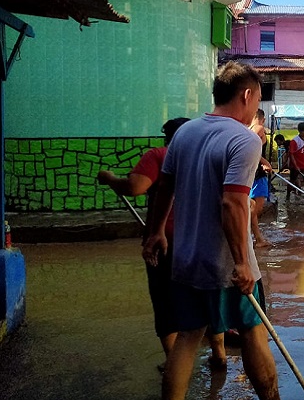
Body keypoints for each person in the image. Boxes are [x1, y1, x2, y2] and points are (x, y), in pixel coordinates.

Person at [142, 61, 289, 400]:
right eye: (257, 100)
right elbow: (233, 203)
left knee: (188, 338)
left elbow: (165, 187)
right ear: (248, 94)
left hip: (187, 259)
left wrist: (157, 232)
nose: (257, 108)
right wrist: (241, 263)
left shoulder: (186, 133)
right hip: (225, 265)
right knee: (253, 331)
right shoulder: (244, 139)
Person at [96, 117, 227, 371]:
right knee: (206, 296)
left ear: (167, 137)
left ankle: (174, 362)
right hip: (204, 239)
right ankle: (218, 353)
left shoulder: (159, 155)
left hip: (167, 239)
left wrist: (110, 178)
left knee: (165, 302)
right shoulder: (210, 156)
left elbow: (135, 187)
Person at [249, 109, 273, 248]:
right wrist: (265, 163)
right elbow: (250, 149)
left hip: (253, 172)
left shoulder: (248, 128)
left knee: (252, 209)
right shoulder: (259, 128)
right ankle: (246, 236)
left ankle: (258, 239)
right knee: (256, 209)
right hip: (258, 175)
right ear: (262, 119)